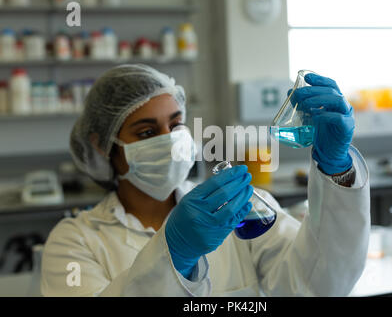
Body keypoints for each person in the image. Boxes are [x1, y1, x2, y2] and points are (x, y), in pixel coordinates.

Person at [41, 64, 370, 297]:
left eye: (176, 124)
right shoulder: (74, 242)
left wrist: (336, 169)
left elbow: (316, 286)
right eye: (146, 132)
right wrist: (174, 256)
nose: (169, 140)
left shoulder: (241, 210)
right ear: (102, 145)